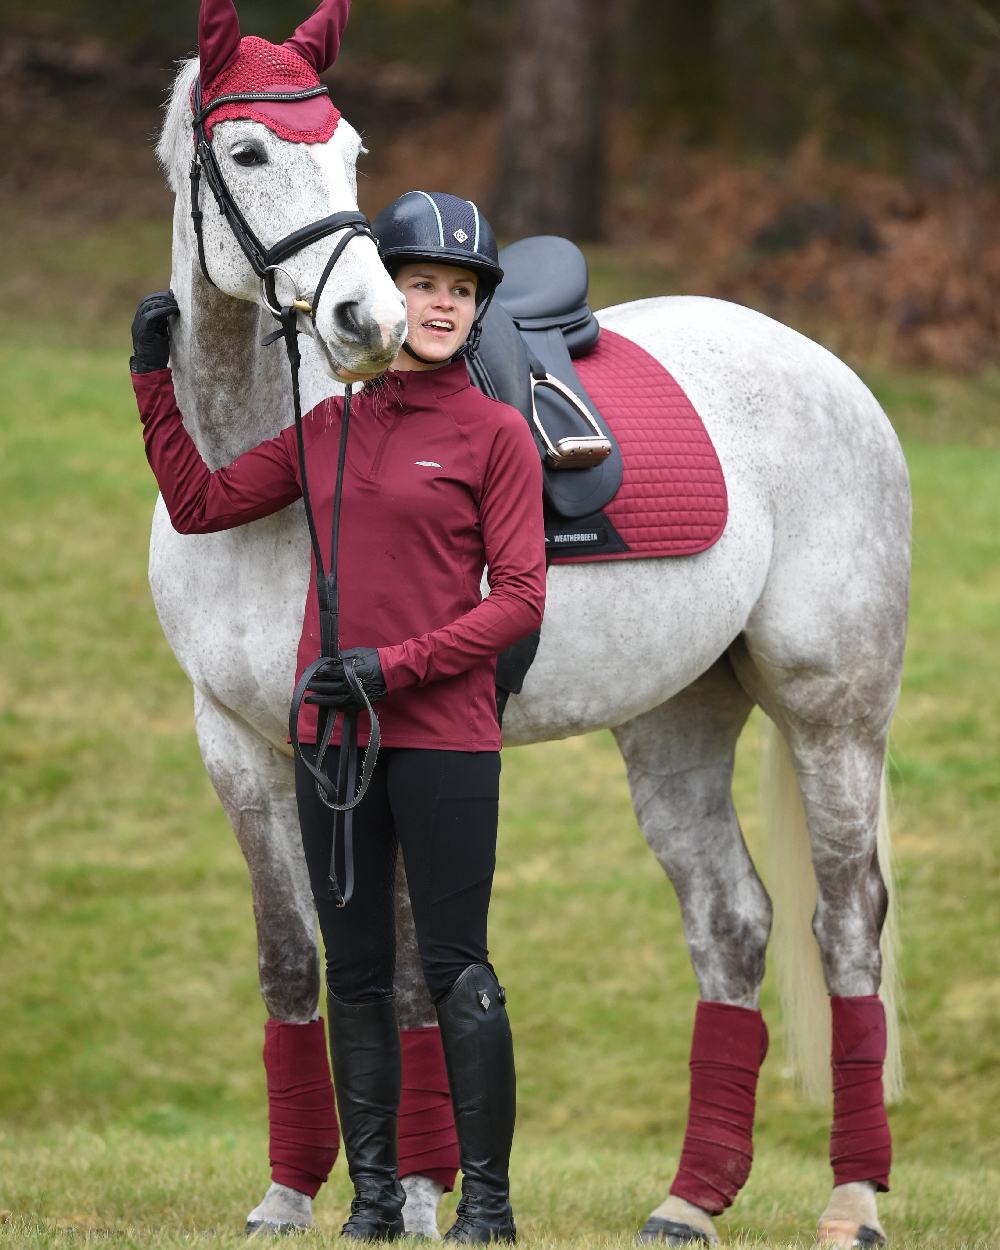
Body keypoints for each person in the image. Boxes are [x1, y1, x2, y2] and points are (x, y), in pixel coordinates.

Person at [130, 190, 544, 1243]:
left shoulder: (496, 434)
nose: (441, 304)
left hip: (445, 736)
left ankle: (484, 1204)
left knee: (456, 967)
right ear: (386, 296)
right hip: (336, 744)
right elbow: (201, 504)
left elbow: (521, 598)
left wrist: (389, 666)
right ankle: (370, 1204)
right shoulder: (331, 425)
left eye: (460, 291)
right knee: (354, 968)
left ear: (477, 310)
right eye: (422, 286)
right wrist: (150, 382)